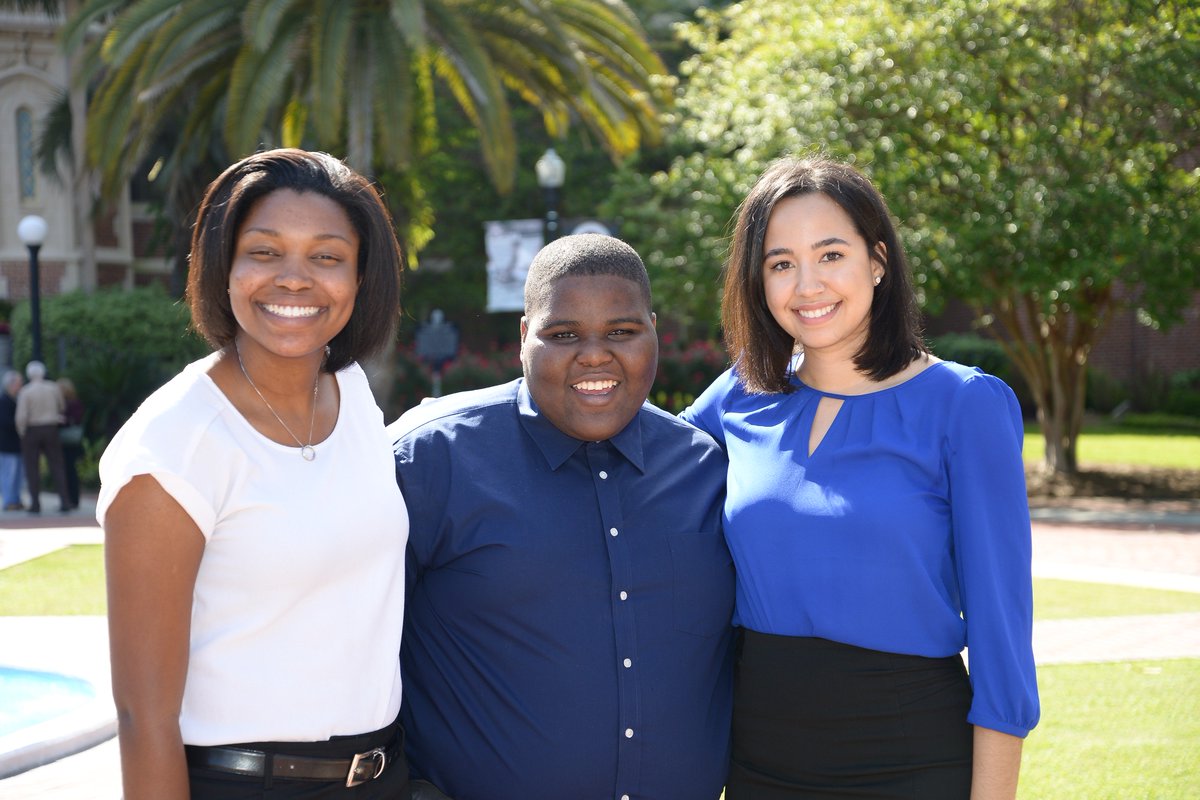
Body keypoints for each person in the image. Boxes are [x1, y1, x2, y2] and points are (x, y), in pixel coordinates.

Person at [680, 156, 1040, 799]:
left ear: (878, 261)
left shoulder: (964, 406)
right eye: (781, 263)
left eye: (831, 255)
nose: (807, 285)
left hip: (908, 758)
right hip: (758, 760)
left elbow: (1001, 634)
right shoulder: (740, 394)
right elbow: (634, 464)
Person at [96, 148, 409, 799]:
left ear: (360, 276)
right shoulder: (174, 447)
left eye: (326, 256)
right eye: (264, 252)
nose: (294, 279)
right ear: (225, 266)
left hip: (381, 777)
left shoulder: (352, 394)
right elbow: (143, 717)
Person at [391, 233, 734, 800]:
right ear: (525, 336)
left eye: (621, 332)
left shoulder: (705, 469)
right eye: (563, 334)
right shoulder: (429, 462)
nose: (595, 354)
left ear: (653, 330)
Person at [15, 360, 70, 513]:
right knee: (57, 466)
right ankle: (64, 501)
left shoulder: (26, 391)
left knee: (32, 468)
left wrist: (22, 432)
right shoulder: (53, 388)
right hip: (51, 428)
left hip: (32, 429)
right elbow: (62, 407)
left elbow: (21, 416)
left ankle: (35, 504)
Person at [57, 376, 84, 510]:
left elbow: (76, 419)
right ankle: (72, 499)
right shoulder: (74, 402)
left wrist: (63, 420)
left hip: (68, 442)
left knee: (69, 471)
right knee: (70, 470)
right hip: (70, 443)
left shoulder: (70, 404)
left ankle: (72, 499)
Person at [0, 370, 23, 510]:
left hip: (16, 444)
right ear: (10, 385)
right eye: (18, 384)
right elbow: (5, 422)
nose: (20, 386)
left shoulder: (15, 399)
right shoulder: (4, 401)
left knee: (18, 475)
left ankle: (15, 499)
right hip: (7, 444)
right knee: (9, 474)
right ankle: (9, 501)